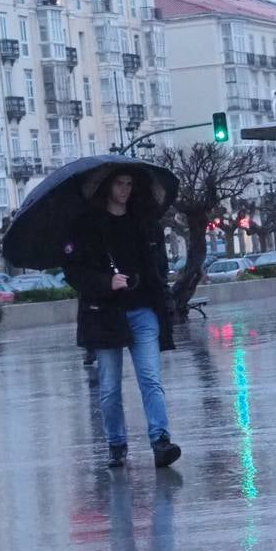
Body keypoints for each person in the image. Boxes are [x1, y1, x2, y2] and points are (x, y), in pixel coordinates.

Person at [65, 171, 180, 469]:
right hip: (104, 314)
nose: (125, 190)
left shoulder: (144, 222)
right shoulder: (88, 226)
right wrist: (107, 282)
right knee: (110, 387)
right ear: (106, 186)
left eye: (130, 184)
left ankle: (160, 441)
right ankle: (116, 444)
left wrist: (156, 288)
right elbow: (74, 272)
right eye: (119, 183)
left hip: (143, 310)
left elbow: (158, 264)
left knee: (151, 379)